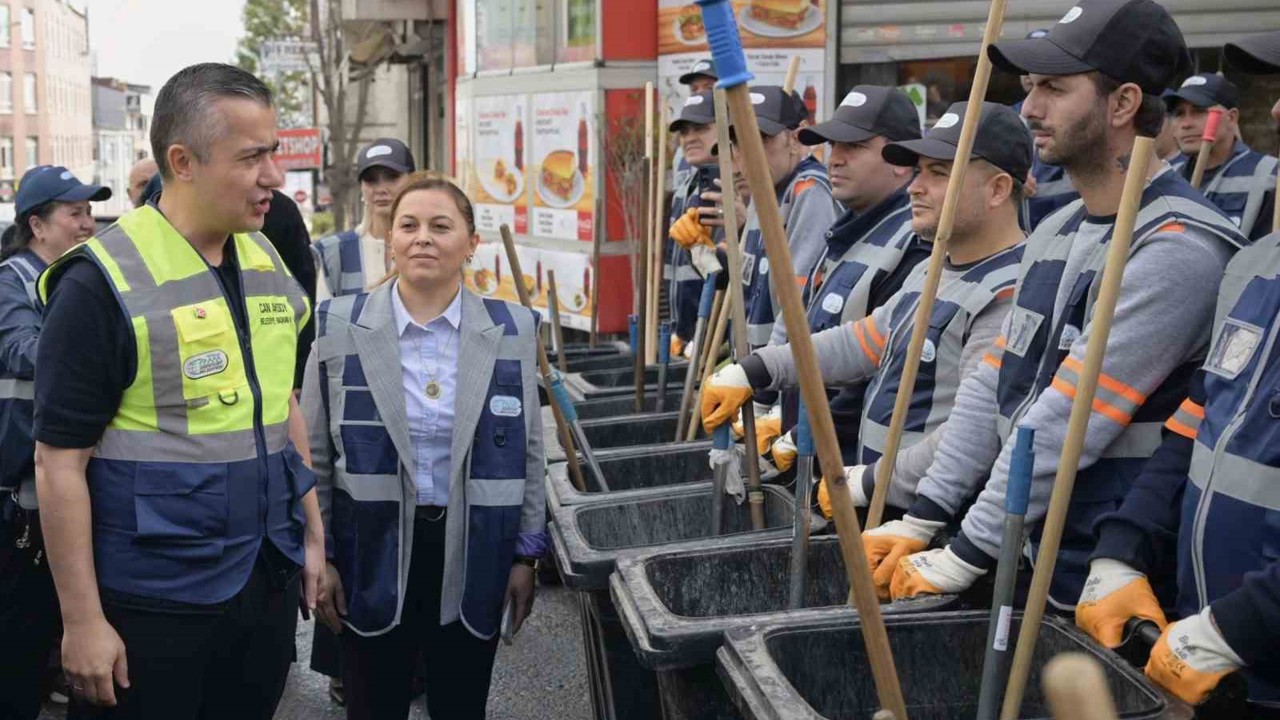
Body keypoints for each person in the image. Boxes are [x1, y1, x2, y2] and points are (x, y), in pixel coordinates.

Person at [860, 0, 1246, 609]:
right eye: (1031, 86)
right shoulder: (1059, 228)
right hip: (1036, 548)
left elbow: (1070, 418)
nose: (1029, 108)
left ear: (1121, 103)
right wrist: (925, 516)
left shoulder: (1176, 247)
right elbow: (994, 382)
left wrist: (967, 552)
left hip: (1113, 581)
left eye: (1054, 89)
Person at [32, 63, 322, 719]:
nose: (274, 176)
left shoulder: (264, 260)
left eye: (272, 153)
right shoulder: (99, 282)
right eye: (253, 157)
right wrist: (81, 622)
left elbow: (281, 407)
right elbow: (58, 463)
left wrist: (311, 535)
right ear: (182, 161)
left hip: (262, 579)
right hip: (153, 601)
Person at [700, 102, 1030, 527]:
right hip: (884, 508)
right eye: (920, 169)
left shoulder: (1009, 291)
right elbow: (862, 342)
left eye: (939, 173)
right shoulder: (935, 270)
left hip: (930, 523)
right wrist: (758, 369)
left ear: (998, 189)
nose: (916, 185)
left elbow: (971, 437)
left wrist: (869, 481)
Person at [1076, 31, 1280, 711]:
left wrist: (1242, 625)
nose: (1276, 113)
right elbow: (1199, 416)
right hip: (1206, 660)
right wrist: (1125, 545)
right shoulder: (1257, 264)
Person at [306, 173, 546, 720]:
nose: (423, 238)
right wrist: (324, 558)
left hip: (474, 546)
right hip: (371, 547)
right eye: (408, 226)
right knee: (373, 702)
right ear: (389, 239)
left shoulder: (512, 327)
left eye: (442, 226)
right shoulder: (339, 324)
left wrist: (525, 555)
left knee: (461, 703)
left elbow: (529, 451)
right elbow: (317, 455)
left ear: (470, 243)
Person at [0, 166, 110, 720]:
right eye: (75, 213)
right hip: (18, 502)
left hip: (57, 491)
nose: (88, 223)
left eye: (90, 213)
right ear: (37, 224)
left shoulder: (72, 279)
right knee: (17, 651)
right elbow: (24, 350)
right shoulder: (10, 282)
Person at [731, 85, 840, 352]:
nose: (750, 152)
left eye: (762, 139)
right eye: (741, 141)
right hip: (754, 367)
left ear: (794, 139)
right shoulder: (764, 188)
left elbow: (798, 299)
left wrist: (764, 371)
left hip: (780, 372)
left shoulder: (808, 192)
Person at [1167, 72, 1278, 242]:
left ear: (1232, 118)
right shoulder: (1168, 178)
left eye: (1199, 111)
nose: (1186, 124)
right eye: (1179, 113)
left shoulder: (1270, 175)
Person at [313, 138, 416, 299]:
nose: (381, 189)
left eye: (392, 177)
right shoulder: (334, 253)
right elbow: (325, 319)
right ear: (361, 187)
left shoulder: (427, 245)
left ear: (412, 180)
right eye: (371, 180)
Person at [663, 91, 722, 357]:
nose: (690, 138)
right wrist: (679, 328)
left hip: (715, 338)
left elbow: (725, 274)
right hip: (686, 334)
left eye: (701, 128)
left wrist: (706, 336)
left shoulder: (731, 189)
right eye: (685, 131)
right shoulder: (686, 187)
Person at [261, 189, 318, 391]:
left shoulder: (280, 210)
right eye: (249, 158)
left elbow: (305, 295)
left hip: (278, 376)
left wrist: (300, 376)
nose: (272, 176)